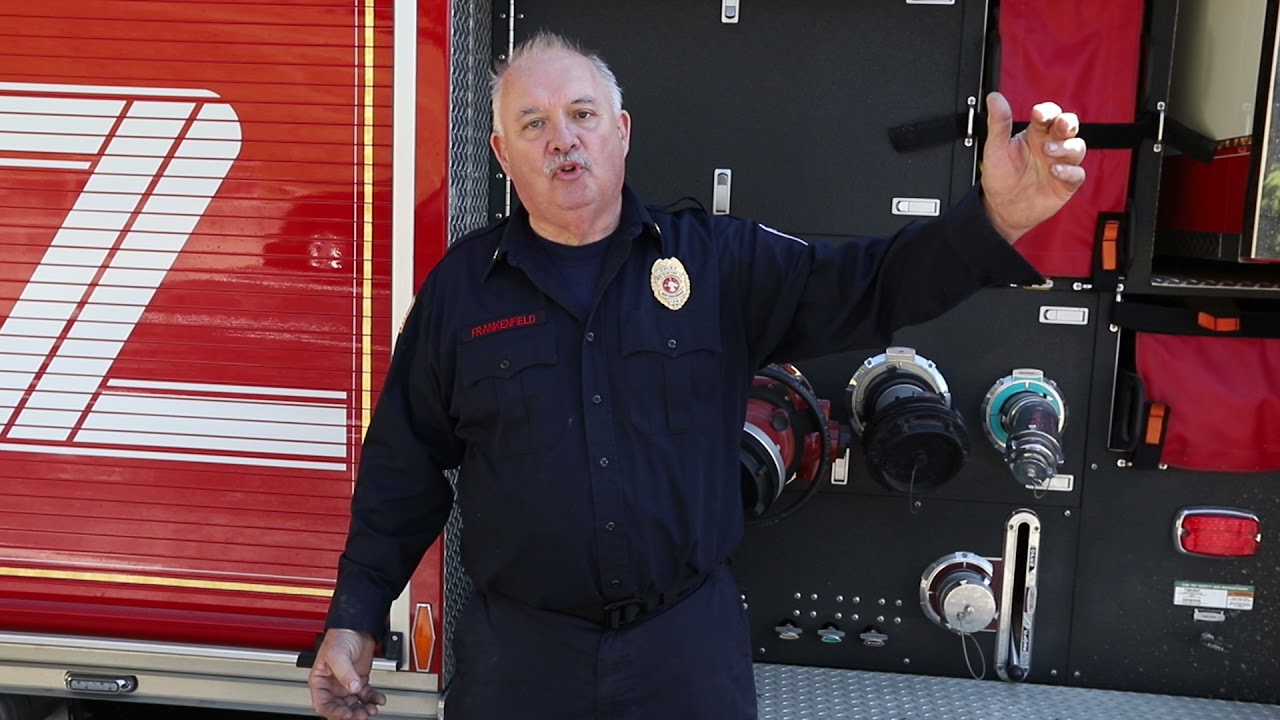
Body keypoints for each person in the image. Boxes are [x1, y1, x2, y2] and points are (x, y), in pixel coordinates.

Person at [307, 30, 1086, 720]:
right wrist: (358, 612)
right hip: (520, 662)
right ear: (503, 154)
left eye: (582, 115)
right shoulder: (462, 292)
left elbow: (871, 285)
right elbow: (403, 466)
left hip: (681, 650)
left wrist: (996, 218)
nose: (562, 140)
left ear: (621, 132)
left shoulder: (717, 264)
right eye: (533, 124)